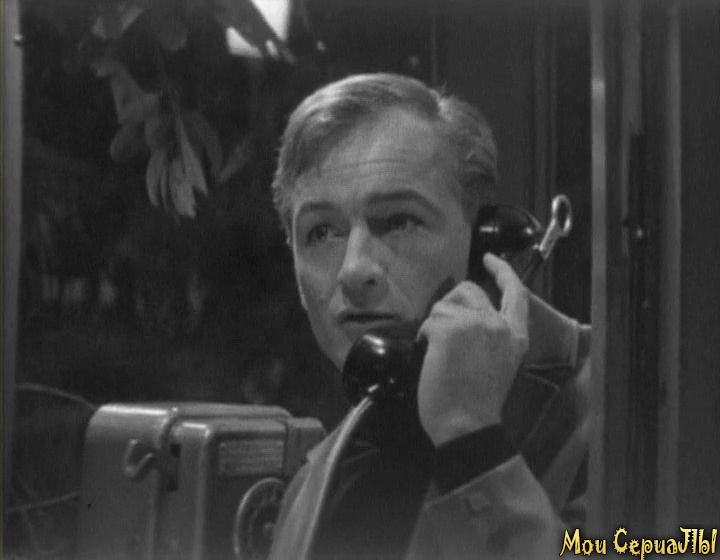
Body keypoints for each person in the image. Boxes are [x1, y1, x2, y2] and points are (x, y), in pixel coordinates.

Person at [267, 72, 590, 559]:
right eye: (322, 233)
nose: (354, 270)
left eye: (399, 221)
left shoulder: (617, 410)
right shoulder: (313, 486)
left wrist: (473, 443)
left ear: (485, 244)